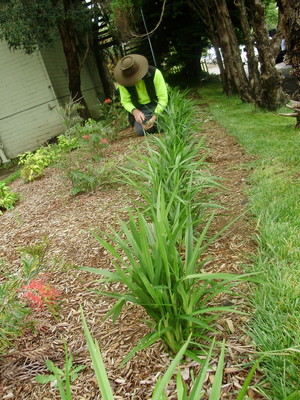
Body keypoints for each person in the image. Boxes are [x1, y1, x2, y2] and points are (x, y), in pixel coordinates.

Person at [113, 54, 168, 136]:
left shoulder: (155, 73)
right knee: (141, 131)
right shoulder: (123, 82)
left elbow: (163, 98)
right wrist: (135, 111)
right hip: (141, 109)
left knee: (164, 126)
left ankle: (157, 124)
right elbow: (125, 101)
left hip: (157, 105)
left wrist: (155, 116)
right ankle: (151, 126)